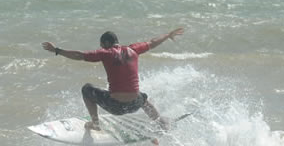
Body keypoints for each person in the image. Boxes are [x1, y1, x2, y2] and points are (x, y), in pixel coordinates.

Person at [42, 28, 184, 131]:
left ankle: (95, 123)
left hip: (115, 106)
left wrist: (57, 50)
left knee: (87, 89)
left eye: (101, 45)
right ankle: (160, 122)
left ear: (106, 43)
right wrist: (168, 35)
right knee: (143, 98)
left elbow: (80, 55)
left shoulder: (105, 53)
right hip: (134, 104)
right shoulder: (134, 50)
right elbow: (152, 42)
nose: (101, 47)